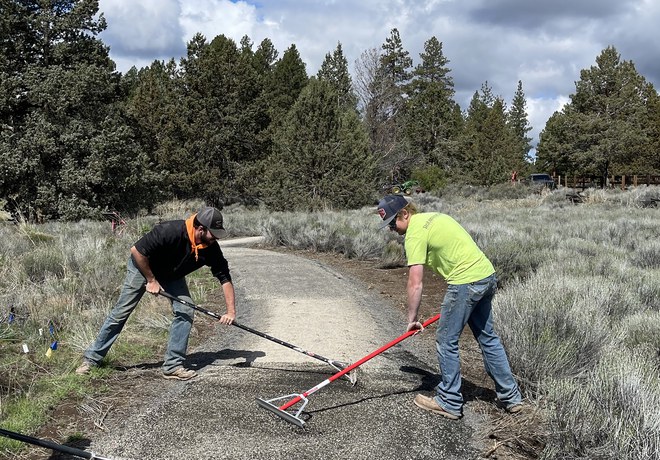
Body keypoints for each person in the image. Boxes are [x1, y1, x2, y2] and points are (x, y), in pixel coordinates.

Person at [377, 195, 522, 419]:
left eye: (393, 223)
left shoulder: (415, 233)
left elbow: (415, 281)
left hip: (465, 282)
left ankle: (450, 401)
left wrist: (412, 319)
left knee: (446, 340)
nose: (391, 230)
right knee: (488, 338)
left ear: (404, 213)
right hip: (486, 276)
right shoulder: (434, 217)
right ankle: (512, 399)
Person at [76, 207, 236, 381]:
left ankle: (173, 365)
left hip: (171, 275)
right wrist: (151, 280)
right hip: (142, 267)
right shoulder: (170, 231)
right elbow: (136, 251)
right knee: (121, 312)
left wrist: (231, 312)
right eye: (213, 234)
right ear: (200, 229)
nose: (216, 238)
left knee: (186, 310)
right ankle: (92, 359)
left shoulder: (210, 248)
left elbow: (224, 278)